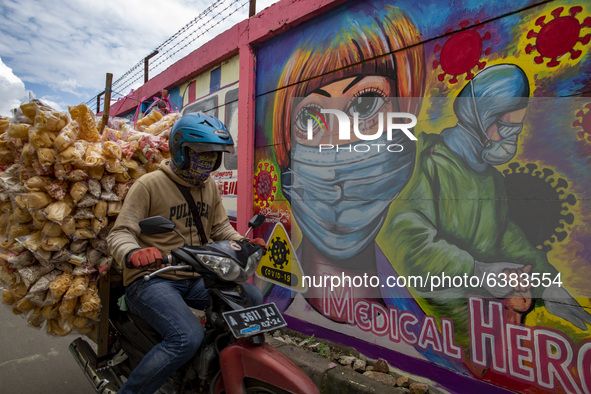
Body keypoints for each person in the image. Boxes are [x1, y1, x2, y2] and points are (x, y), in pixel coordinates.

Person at [376, 64, 591, 364]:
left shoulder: (490, 179)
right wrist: (475, 270)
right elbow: (405, 239)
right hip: (424, 324)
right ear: (480, 117)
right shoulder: (425, 162)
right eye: (505, 126)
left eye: (517, 128)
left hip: (477, 326)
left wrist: (548, 284)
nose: (511, 137)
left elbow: (506, 234)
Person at [107, 112, 265, 394]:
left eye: (213, 156)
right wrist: (133, 252)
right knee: (185, 336)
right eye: (202, 154)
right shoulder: (149, 185)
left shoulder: (210, 187)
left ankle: (208, 371)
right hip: (154, 278)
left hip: (198, 274)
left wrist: (245, 243)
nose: (208, 162)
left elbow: (219, 229)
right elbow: (120, 233)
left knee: (252, 299)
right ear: (181, 151)